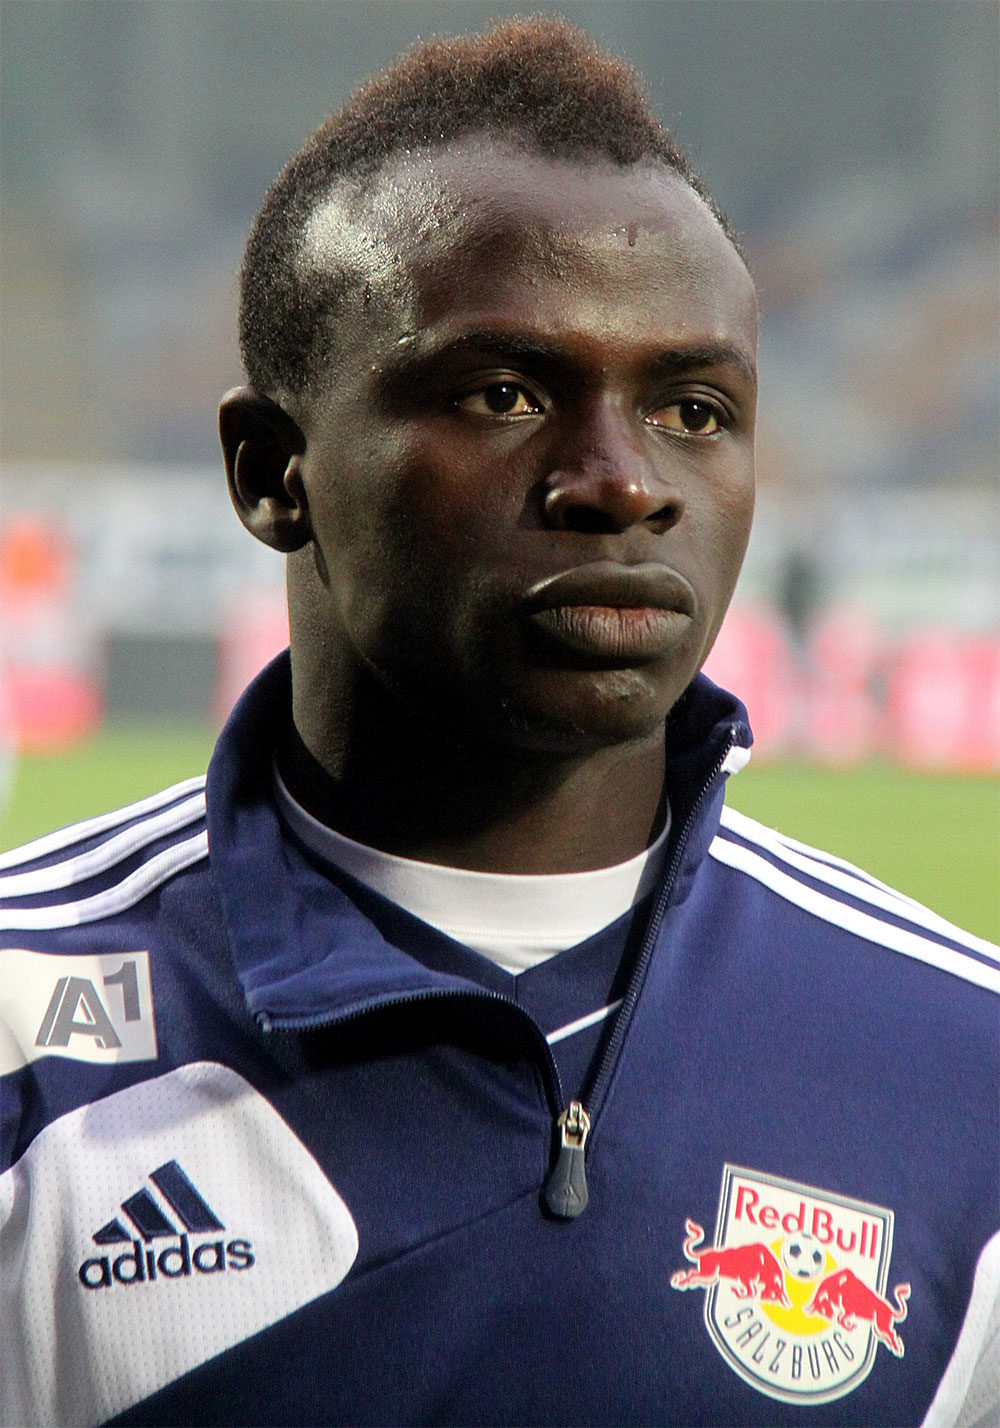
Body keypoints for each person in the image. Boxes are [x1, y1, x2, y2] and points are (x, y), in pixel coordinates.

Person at [1, 18, 996, 1428]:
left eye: (693, 408)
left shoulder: (963, 1062)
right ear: (272, 472)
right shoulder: (26, 1041)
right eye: (506, 394)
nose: (622, 482)